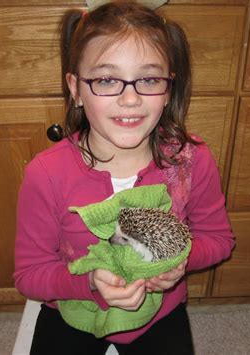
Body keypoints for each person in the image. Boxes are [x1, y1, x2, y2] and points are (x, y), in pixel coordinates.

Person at [14, 2, 235, 354]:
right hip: (73, 305)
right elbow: (30, 275)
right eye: (106, 80)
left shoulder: (192, 161)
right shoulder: (45, 173)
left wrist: (179, 262)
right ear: (75, 88)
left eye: (148, 79)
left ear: (168, 89)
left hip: (159, 310)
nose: (130, 99)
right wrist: (88, 281)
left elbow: (219, 239)